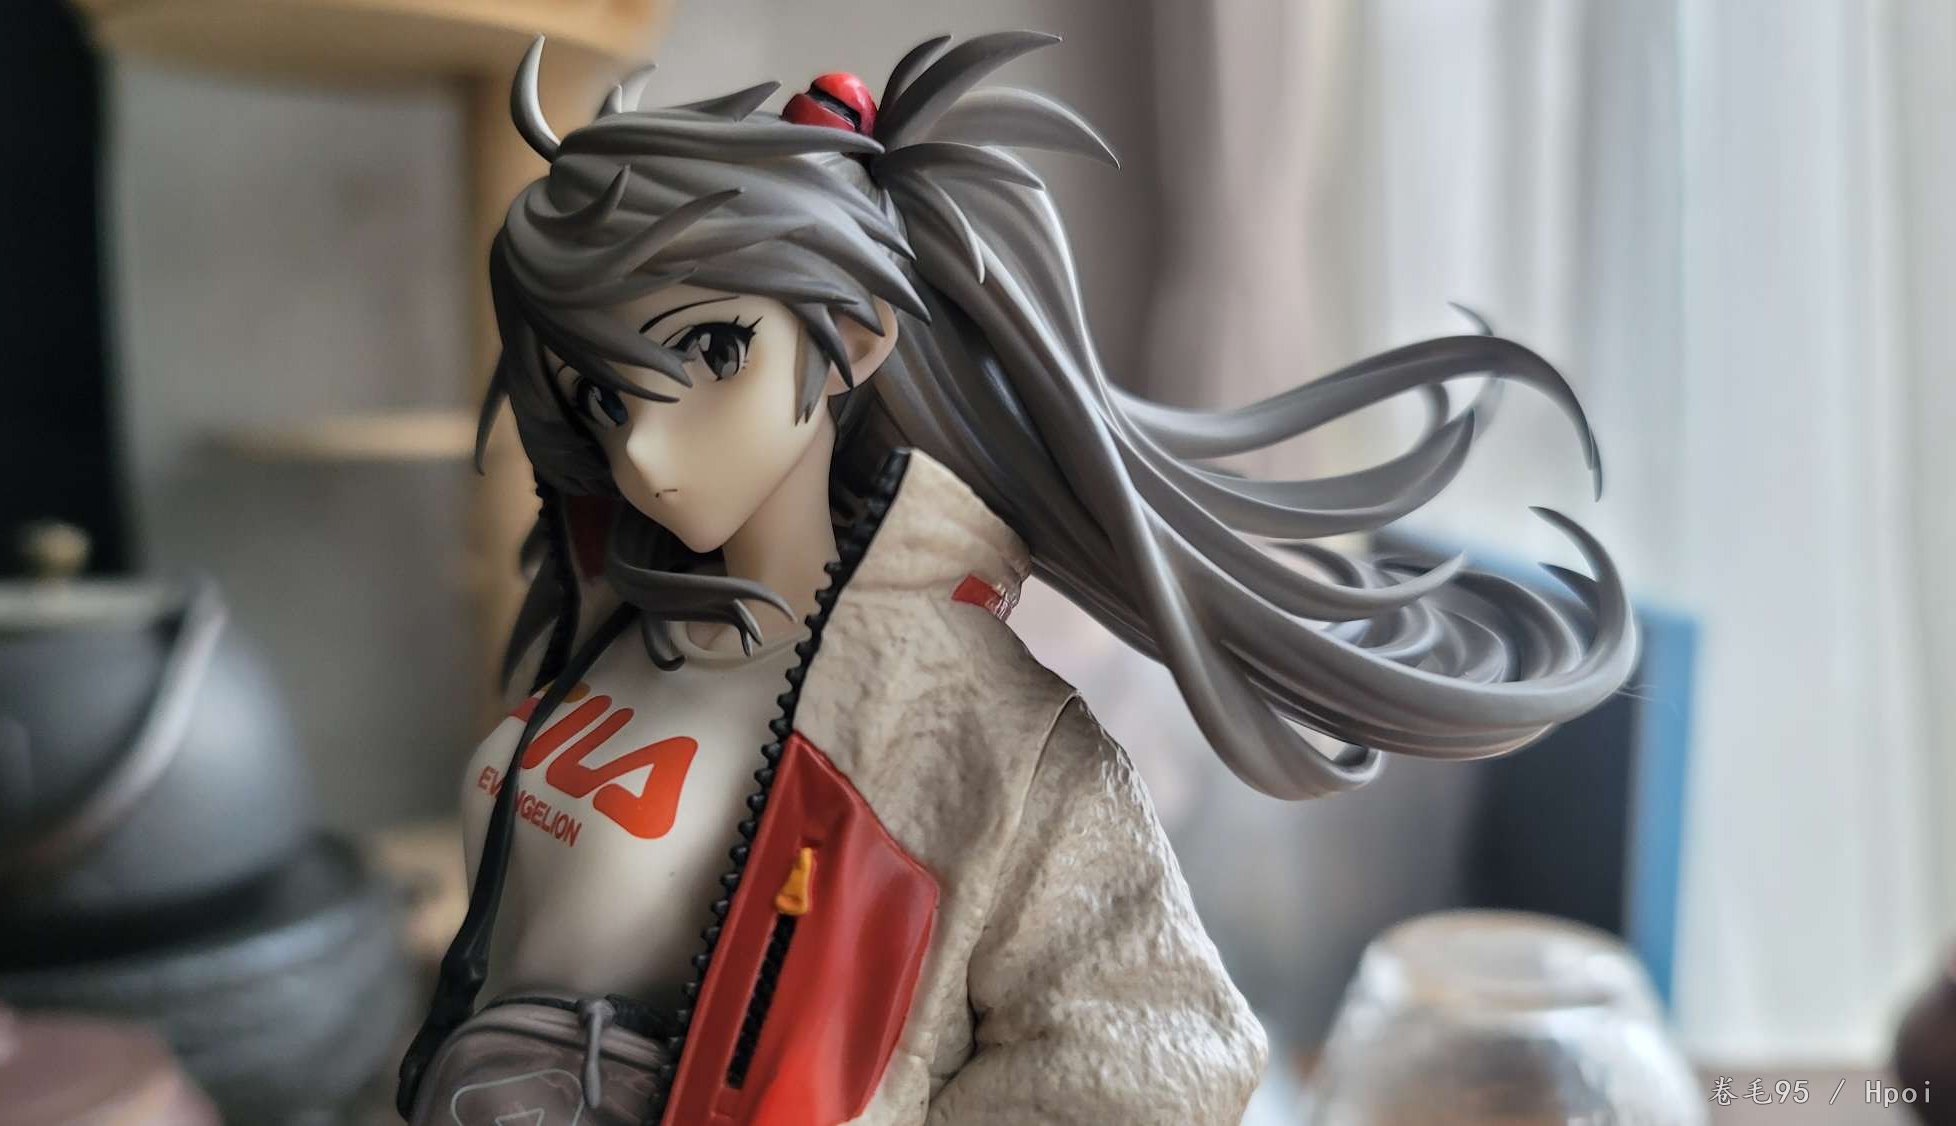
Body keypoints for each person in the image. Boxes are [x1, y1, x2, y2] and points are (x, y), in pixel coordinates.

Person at [399, 30, 1635, 1126]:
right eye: (608, 394)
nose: (647, 448)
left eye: (714, 350)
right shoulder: (618, 611)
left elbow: (1157, 1066)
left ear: (854, 339)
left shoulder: (977, 726)